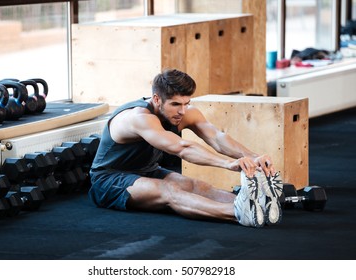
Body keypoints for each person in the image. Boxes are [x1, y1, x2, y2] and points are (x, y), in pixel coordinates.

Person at [89, 69, 283, 228]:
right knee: (169, 190)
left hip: (147, 171)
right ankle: (238, 212)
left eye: (186, 103)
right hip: (109, 180)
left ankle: (256, 205)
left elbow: (217, 137)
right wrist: (229, 164)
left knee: (196, 186)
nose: (182, 110)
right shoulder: (138, 118)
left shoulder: (183, 113)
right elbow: (182, 148)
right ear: (157, 100)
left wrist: (253, 157)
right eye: (175, 104)